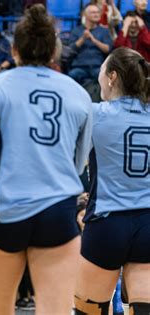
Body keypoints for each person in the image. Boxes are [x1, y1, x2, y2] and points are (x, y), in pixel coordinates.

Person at [0, 4, 93, 315]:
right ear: (54, 51)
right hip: (58, 213)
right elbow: (79, 163)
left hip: (6, 211)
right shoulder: (79, 93)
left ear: (15, 49)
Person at [74, 48, 150, 315]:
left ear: (112, 77)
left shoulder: (96, 113)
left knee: (88, 311)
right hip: (148, 223)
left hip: (107, 223)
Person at [68, 4, 114, 84]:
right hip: (80, 66)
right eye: (93, 12)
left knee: (107, 78)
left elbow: (108, 49)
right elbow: (70, 50)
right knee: (72, 75)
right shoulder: (76, 30)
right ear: (85, 15)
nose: (96, 14)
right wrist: (83, 38)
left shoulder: (104, 31)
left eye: (98, 12)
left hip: (97, 66)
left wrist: (93, 40)